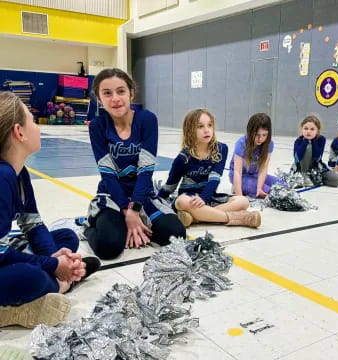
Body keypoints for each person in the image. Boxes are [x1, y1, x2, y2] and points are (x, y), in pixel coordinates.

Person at [0, 91, 98, 328]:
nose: (37, 125)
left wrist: (52, 257)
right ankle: (62, 284)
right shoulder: (2, 178)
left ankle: (54, 283)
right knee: (29, 276)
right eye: (32, 120)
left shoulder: (18, 172)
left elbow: (33, 223)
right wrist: (53, 266)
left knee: (66, 238)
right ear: (19, 132)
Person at [85, 68, 185, 259]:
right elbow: (107, 174)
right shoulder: (98, 126)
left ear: (131, 93)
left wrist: (135, 209)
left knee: (175, 235)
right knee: (109, 247)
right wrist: (126, 210)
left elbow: (146, 171)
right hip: (112, 195)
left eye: (121, 91)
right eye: (107, 93)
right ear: (99, 99)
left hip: (143, 194)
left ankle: (135, 223)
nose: (115, 98)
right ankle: (89, 225)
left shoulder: (147, 120)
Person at [159, 109, 261, 228]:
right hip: (190, 200)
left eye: (210, 125)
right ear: (190, 130)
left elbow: (214, 179)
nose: (207, 130)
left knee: (243, 201)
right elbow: (170, 187)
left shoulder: (221, 149)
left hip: (209, 197)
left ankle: (195, 218)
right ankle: (239, 218)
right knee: (181, 201)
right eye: (200, 126)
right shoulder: (182, 158)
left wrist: (203, 198)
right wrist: (154, 201)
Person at [229, 113, 284, 197]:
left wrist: (259, 188)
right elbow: (237, 172)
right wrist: (239, 196)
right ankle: (237, 187)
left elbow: (263, 168)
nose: (260, 139)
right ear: (250, 132)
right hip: (240, 176)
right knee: (269, 191)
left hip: (255, 174)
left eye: (264, 135)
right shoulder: (241, 143)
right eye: (257, 135)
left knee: (283, 186)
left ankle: (250, 187)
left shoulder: (269, 144)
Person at [292, 114, 338, 187]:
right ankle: (304, 175)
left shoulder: (321, 139)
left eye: (312, 129)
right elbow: (297, 159)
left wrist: (313, 140)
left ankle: (315, 178)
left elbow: (317, 157)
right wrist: (305, 141)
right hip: (301, 169)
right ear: (302, 129)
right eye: (305, 128)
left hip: (317, 168)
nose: (308, 132)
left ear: (317, 130)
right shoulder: (299, 141)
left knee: (336, 181)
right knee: (308, 147)